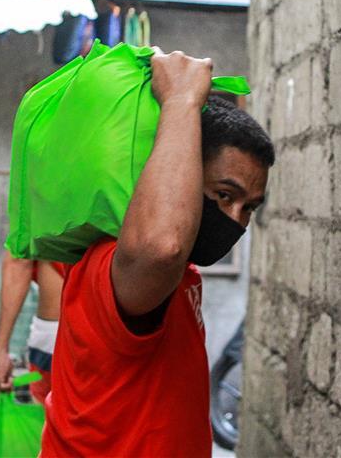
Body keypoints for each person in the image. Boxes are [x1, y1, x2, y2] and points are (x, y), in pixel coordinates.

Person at [40, 49, 274, 457]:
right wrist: (181, 100)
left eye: (249, 207)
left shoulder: (183, 276)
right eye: (224, 195)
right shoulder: (114, 268)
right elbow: (162, 246)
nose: (236, 219)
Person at [0, 252, 65, 404]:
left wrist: (1, 348)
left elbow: (19, 261)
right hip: (106, 330)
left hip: (52, 332)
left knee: (47, 421)